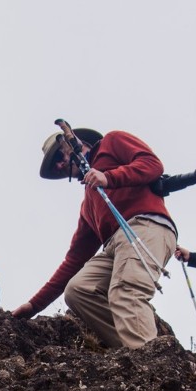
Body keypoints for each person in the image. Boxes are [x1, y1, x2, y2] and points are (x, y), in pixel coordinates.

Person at [13, 127, 177, 348]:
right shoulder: (89, 203)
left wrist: (109, 177)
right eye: (55, 165)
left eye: (60, 156)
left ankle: (151, 363)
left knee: (126, 292)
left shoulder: (111, 142)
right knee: (78, 290)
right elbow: (74, 261)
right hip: (114, 245)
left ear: (78, 143)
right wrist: (34, 305)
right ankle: (138, 350)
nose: (60, 165)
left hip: (145, 225)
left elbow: (152, 165)